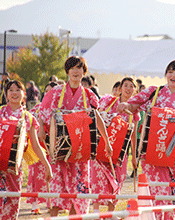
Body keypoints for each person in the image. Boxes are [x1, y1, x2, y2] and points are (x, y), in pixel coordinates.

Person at [117, 59, 175, 220]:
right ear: (165, 74)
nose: (173, 75)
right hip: (153, 155)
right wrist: (125, 106)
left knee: (173, 201)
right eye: (170, 71)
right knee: (157, 197)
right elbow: (134, 105)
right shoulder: (154, 92)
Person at [38, 56, 112, 216]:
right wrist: (41, 129)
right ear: (67, 71)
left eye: (79, 68)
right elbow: (41, 113)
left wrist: (106, 141)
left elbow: (96, 117)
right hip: (59, 149)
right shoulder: (55, 93)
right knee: (57, 190)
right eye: (72, 68)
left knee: (78, 193)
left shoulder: (89, 95)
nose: (76, 71)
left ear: (84, 71)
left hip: (80, 150)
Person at [0, 80, 52, 220]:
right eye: (11, 90)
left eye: (18, 90)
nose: (14, 93)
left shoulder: (28, 118)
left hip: (13, 170)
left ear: (24, 95)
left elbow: (35, 145)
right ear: (6, 94)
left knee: (12, 207)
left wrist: (47, 165)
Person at [91, 77, 139, 216]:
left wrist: (134, 157)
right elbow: (97, 116)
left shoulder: (134, 110)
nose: (128, 89)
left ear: (134, 90)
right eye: (125, 85)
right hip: (102, 146)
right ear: (120, 88)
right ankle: (95, 212)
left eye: (131, 86)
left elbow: (134, 135)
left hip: (120, 151)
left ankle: (110, 213)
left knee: (117, 180)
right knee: (98, 178)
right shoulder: (109, 101)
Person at [26, 81, 58, 215]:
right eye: (47, 91)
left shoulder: (59, 108)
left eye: (52, 91)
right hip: (38, 146)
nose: (49, 94)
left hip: (54, 148)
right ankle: (34, 205)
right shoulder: (37, 108)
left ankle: (54, 204)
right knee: (35, 176)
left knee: (54, 176)